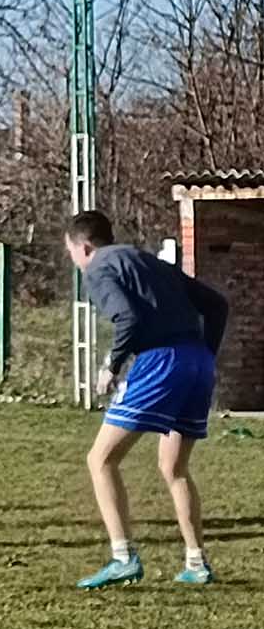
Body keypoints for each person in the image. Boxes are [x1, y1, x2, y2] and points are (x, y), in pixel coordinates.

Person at [65, 210, 228, 588]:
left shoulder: (99, 268)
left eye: (71, 252)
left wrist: (111, 365)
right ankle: (197, 563)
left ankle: (123, 558)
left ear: (84, 247)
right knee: (174, 467)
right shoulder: (146, 259)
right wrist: (205, 353)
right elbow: (217, 304)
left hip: (161, 361)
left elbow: (127, 318)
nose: (74, 260)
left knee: (101, 459)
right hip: (197, 361)